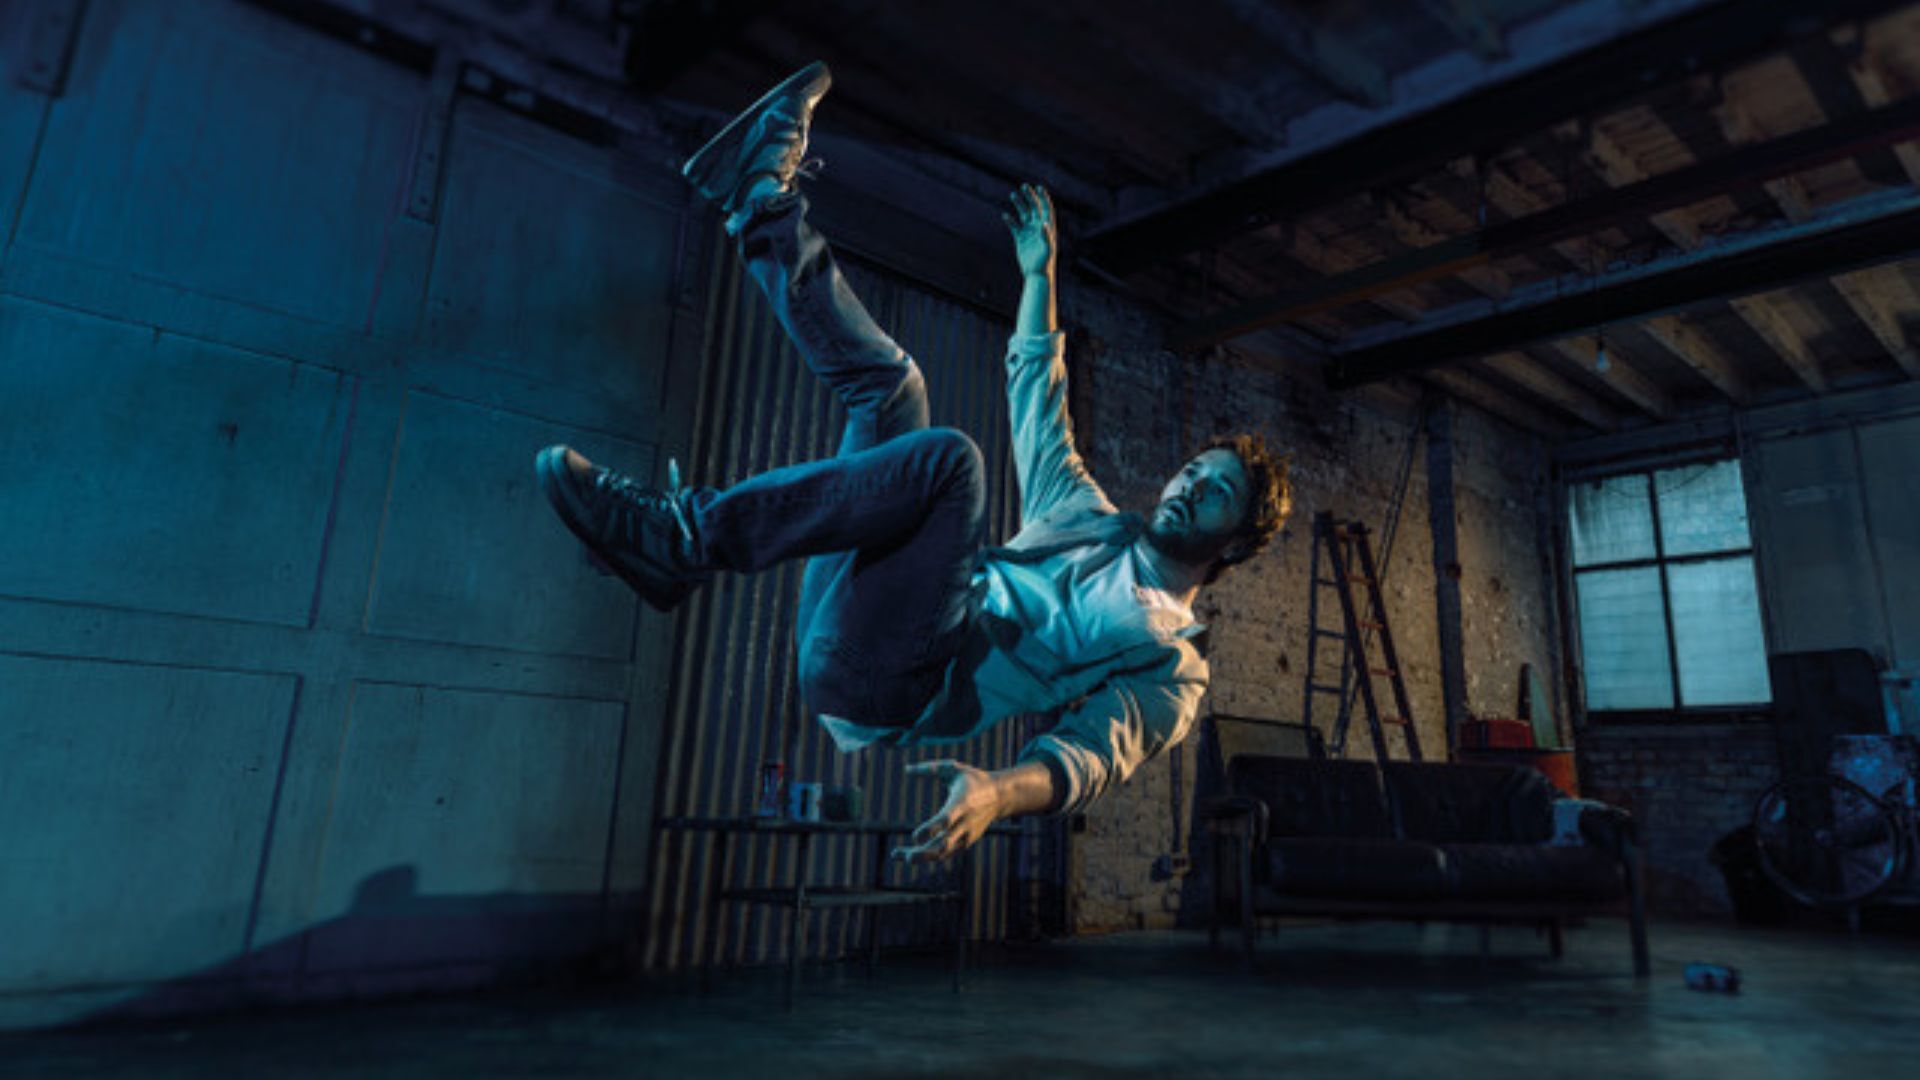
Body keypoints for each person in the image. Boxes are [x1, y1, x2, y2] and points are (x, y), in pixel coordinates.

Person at [536, 61, 1290, 865]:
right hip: (850, 613)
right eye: (1193, 471)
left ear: (1236, 543)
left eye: (1216, 492)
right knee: (893, 388)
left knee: (951, 465)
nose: (1190, 487)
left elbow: (1093, 755)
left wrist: (998, 792)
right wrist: (1039, 276)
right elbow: (1038, 395)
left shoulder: (1171, 665)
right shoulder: (1084, 516)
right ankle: (758, 201)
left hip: (894, 682)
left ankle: (679, 539)